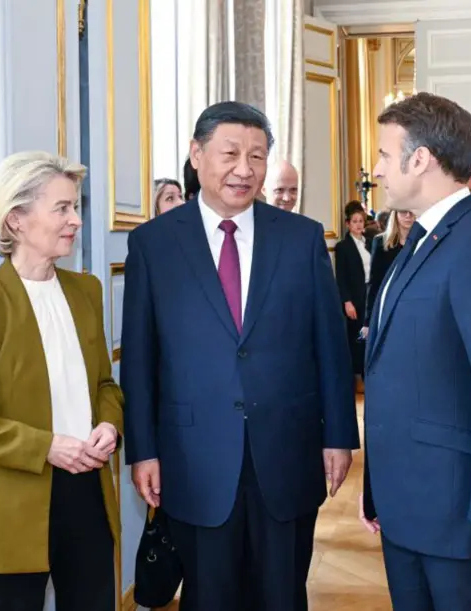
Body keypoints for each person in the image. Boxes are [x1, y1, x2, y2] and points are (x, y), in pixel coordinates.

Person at [121, 101, 359, 611]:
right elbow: (140, 359)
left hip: (287, 448)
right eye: (230, 153)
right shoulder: (153, 244)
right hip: (192, 454)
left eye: (257, 156)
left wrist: (339, 434)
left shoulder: (302, 238)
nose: (244, 169)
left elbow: (329, 344)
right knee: (209, 594)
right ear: (196, 154)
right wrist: (142, 448)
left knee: (282, 593)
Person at [359, 93, 471, 611]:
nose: (376, 170)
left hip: (458, 520)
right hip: (408, 509)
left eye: (385, 156)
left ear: (421, 160)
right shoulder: (417, 241)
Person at [0, 151, 124, 611]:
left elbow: (105, 385)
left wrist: (110, 425)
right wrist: (46, 446)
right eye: (62, 208)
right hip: (8, 508)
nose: (76, 220)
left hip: (88, 495)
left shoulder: (86, 291)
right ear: (16, 219)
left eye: (74, 206)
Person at [334, 206, 371, 379]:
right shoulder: (343, 247)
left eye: (361, 221)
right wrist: (347, 302)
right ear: (348, 224)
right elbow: (341, 277)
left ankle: (369, 372)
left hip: (371, 293)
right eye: (354, 222)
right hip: (355, 296)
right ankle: (357, 375)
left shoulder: (371, 242)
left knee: (371, 332)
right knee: (357, 335)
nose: (358, 225)